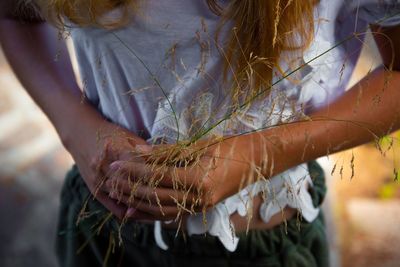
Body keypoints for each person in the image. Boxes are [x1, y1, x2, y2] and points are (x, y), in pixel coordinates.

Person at [1, 0, 399, 266]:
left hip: (268, 245)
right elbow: (15, 13)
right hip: (107, 238)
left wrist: (259, 155)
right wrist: (75, 128)